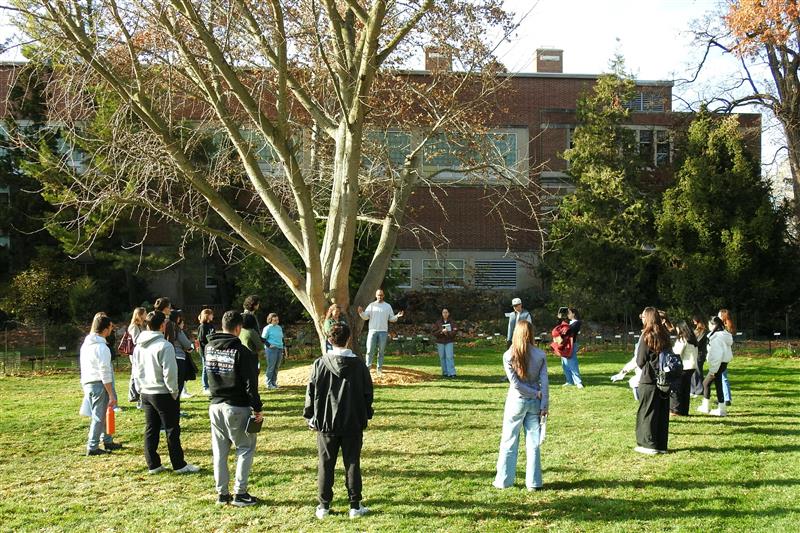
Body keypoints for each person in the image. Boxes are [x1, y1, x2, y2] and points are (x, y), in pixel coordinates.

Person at [304, 323, 373, 520]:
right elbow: (368, 393)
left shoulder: (320, 364)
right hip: (352, 422)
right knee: (352, 463)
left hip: (326, 423)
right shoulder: (359, 365)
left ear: (329, 340)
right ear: (348, 339)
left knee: (325, 464)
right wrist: (366, 414)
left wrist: (310, 416)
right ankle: (354, 505)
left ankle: (324, 506)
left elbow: (311, 392)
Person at [205, 310, 264, 507]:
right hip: (237, 407)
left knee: (220, 453)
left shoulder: (209, 348)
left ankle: (222, 494)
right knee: (245, 448)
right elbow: (250, 385)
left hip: (215, 405)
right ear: (238, 328)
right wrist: (257, 408)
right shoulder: (243, 353)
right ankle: (240, 493)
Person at [132, 311, 200, 474]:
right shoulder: (165, 346)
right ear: (162, 325)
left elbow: (136, 370)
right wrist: (174, 391)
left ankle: (153, 464)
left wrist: (140, 388)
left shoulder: (139, 346)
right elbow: (170, 373)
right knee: (172, 429)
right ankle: (179, 464)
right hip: (163, 392)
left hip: (146, 391)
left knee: (151, 428)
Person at [493, 320, 549, 491]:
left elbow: (515, 384)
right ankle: (533, 483)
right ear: (531, 334)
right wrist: (544, 403)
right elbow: (545, 382)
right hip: (535, 402)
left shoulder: (508, 355)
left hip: (516, 401)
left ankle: (503, 481)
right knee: (533, 443)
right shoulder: (540, 355)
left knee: (509, 440)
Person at [79, 313, 121, 455]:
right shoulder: (102, 348)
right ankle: (92, 446)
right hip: (99, 384)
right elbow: (105, 372)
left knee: (101, 414)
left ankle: (107, 440)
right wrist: (111, 393)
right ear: (105, 329)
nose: (111, 330)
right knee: (99, 417)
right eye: (110, 327)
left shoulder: (86, 345)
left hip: (87, 382)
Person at [634, 307, 671, 455]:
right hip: (664, 378)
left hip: (649, 378)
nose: (641, 319)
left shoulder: (647, 335)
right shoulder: (665, 335)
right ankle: (661, 445)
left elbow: (640, 360)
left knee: (647, 411)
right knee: (662, 412)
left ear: (647, 318)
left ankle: (648, 444)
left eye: (643, 316)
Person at [357, 289, 404, 377]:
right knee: (370, 350)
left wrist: (397, 316)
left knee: (381, 351)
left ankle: (379, 369)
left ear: (383, 296)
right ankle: (368, 368)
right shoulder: (371, 305)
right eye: (378, 295)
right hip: (372, 331)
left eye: (381, 295)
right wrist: (361, 313)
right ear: (376, 295)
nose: (380, 297)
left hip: (383, 332)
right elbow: (366, 317)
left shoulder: (387, 306)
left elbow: (391, 319)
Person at [697, 316, 733, 416]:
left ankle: (705, 407)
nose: (708, 326)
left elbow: (717, 355)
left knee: (705, 383)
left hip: (718, 364)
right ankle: (721, 409)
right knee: (718, 384)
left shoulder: (716, 337)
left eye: (709, 324)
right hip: (723, 364)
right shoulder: (725, 335)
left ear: (713, 325)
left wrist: (713, 370)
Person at [670, 321, 698, 416]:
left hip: (684, 367)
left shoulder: (682, 338)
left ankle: (676, 410)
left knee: (677, 389)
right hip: (692, 367)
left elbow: (677, 352)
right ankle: (685, 410)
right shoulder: (692, 339)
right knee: (686, 390)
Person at [168, 309, 195, 404]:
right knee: (178, 384)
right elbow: (186, 343)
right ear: (177, 318)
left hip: (168, 357)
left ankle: (172, 406)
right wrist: (190, 347)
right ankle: (175, 406)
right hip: (179, 356)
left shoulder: (165, 327)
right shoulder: (176, 328)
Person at [127, 307, 147, 408]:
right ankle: (134, 396)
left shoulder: (142, 325)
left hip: (141, 352)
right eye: (145, 313)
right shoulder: (134, 327)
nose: (146, 315)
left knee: (137, 373)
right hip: (135, 353)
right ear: (140, 315)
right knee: (136, 374)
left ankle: (136, 396)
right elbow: (136, 340)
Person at [261, 312, 286, 389]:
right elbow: (263, 339)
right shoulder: (267, 328)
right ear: (270, 320)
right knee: (271, 366)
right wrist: (269, 345)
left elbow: (282, 338)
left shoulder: (279, 327)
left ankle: (274, 382)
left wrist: (284, 347)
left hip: (280, 348)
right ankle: (268, 383)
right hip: (271, 349)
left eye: (277, 320)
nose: (276, 321)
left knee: (276, 367)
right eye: (274, 320)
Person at [562, 308, 584, 389]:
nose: (568, 315)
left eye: (569, 313)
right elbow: (560, 329)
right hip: (564, 345)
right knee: (565, 364)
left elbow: (570, 330)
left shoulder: (577, 322)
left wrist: (564, 328)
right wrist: (559, 319)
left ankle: (578, 382)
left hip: (571, 345)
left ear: (573, 314)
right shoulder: (568, 322)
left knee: (572, 363)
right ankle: (569, 381)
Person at [238, 312, 264, 382]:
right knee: (253, 376)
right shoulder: (252, 332)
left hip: (240, 356)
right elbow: (260, 346)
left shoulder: (239, 331)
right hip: (251, 356)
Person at [432, 308, 457, 378]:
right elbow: (434, 332)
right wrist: (441, 331)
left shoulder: (452, 322)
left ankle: (452, 373)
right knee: (442, 357)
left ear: (448, 313)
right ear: (442, 314)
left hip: (449, 341)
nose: (445, 314)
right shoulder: (438, 322)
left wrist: (447, 333)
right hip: (440, 342)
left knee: (449, 357)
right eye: (443, 312)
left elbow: (454, 332)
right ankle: (445, 372)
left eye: (446, 312)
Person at [718, 309, 735, 406]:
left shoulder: (724, 329)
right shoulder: (727, 328)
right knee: (723, 376)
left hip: (722, 355)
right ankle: (725, 398)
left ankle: (725, 398)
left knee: (722, 377)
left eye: (719, 315)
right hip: (725, 355)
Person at [197, 308, 215, 395]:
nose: (213, 316)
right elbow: (201, 340)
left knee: (211, 367)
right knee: (205, 368)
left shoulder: (211, 325)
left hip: (212, 349)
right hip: (205, 350)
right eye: (211, 314)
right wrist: (208, 347)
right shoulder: (202, 326)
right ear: (207, 315)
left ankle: (211, 384)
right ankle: (205, 387)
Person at [691, 315, 708, 397]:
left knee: (698, 372)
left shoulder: (703, 330)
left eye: (694, 321)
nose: (693, 322)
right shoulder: (697, 330)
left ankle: (700, 390)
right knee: (694, 372)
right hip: (695, 353)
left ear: (697, 321)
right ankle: (694, 389)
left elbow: (698, 342)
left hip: (700, 354)